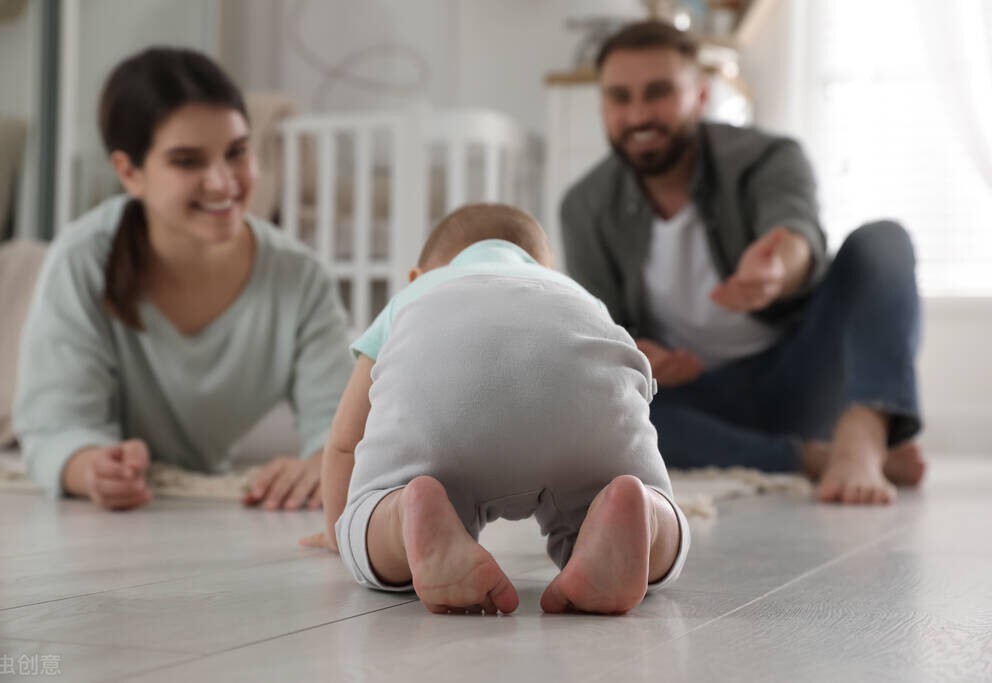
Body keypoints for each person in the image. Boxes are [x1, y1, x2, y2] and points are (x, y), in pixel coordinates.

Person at [560, 20, 925, 506]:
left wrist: (779, 268)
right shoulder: (584, 206)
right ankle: (812, 458)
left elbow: (796, 232)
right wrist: (644, 356)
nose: (638, 114)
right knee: (601, 412)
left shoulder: (767, 157)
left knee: (883, 241)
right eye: (620, 98)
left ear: (700, 96)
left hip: (800, 373)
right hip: (696, 402)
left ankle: (864, 432)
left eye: (659, 92)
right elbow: (605, 336)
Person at [302, 204, 689, 615]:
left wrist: (340, 531)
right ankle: (640, 515)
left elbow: (345, 442)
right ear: (546, 270)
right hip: (579, 405)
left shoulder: (414, 295)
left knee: (374, 515)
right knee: (633, 502)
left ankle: (403, 517)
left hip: (443, 417)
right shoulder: (576, 295)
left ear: (418, 276)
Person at [13, 48, 353, 511]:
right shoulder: (80, 260)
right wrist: (91, 466)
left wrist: (321, 462)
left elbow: (342, 428)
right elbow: (55, 427)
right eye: (187, 161)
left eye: (236, 152)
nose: (221, 182)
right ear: (129, 172)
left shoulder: (301, 278)